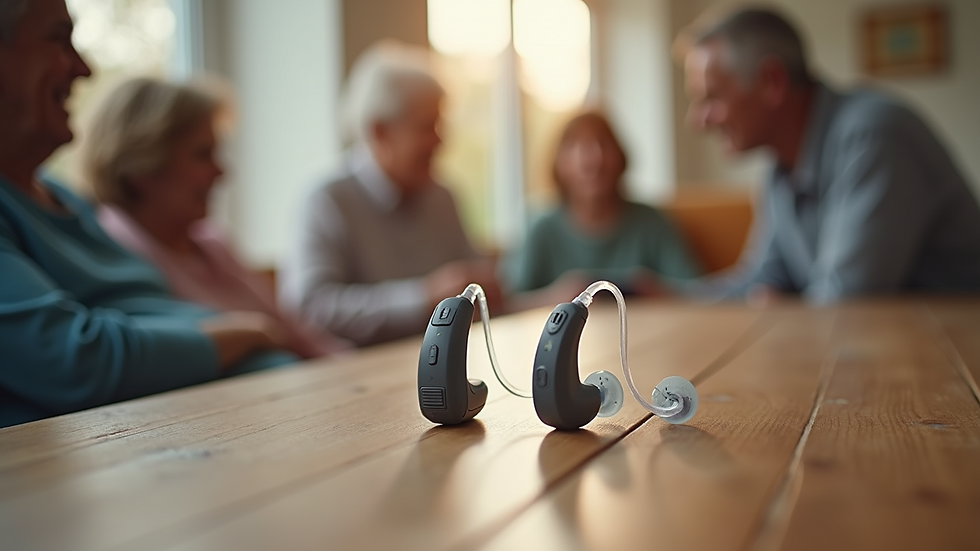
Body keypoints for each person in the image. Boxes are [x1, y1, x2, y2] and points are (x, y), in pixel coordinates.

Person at [0, 0, 295, 428]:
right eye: (58, 39)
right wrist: (242, 333)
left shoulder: (65, 199)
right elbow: (77, 359)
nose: (84, 69)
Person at [678, 7, 980, 303]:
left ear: (772, 82)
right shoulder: (781, 168)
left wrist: (777, 308)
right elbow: (764, 279)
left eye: (711, 98)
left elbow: (845, 301)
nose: (697, 121)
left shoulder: (874, 136)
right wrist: (673, 295)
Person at [83, 77, 347, 360]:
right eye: (202, 155)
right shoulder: (111, 253)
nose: (221, 172)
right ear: (140, 166)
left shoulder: (211, 242)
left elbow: (297, 335)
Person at [278, 41, 500, 347]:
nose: (440, 140)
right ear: (380, 132)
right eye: (427, 127)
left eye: (440, 124)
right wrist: (423, 297)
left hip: (449, 371)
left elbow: (485, 296)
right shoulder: (325, 201)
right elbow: (310, 310)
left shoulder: (444, 197)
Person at [508, 111, 700, 300]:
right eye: (576, 146)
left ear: (621, 157)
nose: (593, 159)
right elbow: (507, 302)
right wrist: (557, 297)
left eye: (603, 143)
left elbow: (697, 293)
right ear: (558, 164)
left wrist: (652, 290)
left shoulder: (651, 222)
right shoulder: (541, 228)